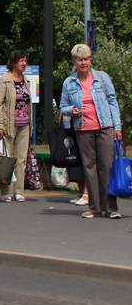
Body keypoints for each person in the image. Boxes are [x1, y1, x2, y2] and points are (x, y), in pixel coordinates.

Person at [60, 43, 122, 219]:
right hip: (83, 129)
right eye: (80, 60)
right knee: (89, 167)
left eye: (86, 59)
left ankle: (110, 208)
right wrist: (72, 110)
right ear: (74, 61)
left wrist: (117, 127)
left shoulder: (102, 78)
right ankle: (94, 207)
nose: (83, 63)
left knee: (107, 166)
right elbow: (63, 106)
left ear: (90, 60)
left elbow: (112, 101)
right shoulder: (69, 82)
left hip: (104, 127)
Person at [0, 49, 32, 202]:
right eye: (21, 61)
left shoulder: (26, 80)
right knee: (6, 159)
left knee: (21, 158)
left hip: (24, 124)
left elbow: (29, 103)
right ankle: (5, 191)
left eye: (26, 61)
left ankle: (19, 191)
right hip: (8, 124)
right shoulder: (4, 80)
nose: (24, 64)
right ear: (14, 63)